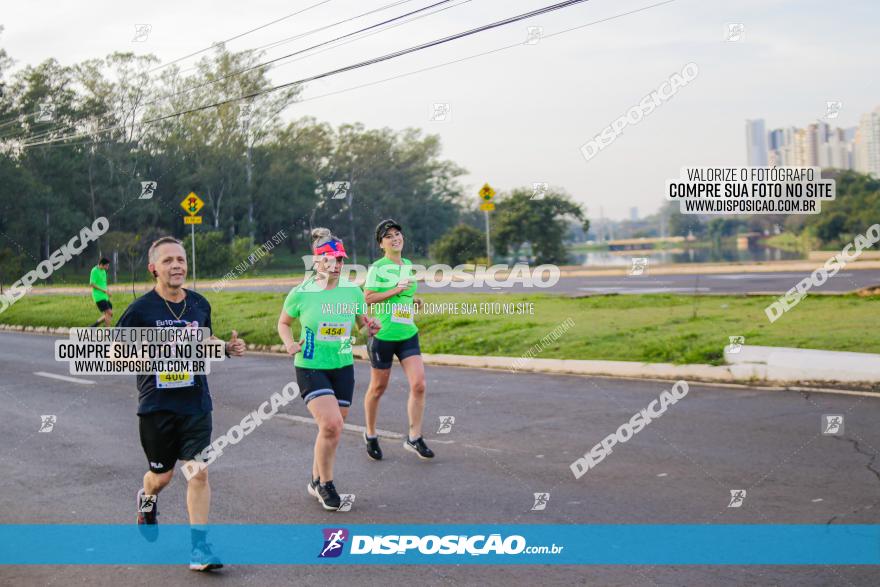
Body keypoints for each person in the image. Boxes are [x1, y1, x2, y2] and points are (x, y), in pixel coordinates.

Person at [116, 236, 246, 572]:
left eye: (181, 259)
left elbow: (206, 339)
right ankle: (147, 498)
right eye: (168, 260)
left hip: (196, 403)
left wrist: (226, 348)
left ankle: (200, 549)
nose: (176, 265)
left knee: (198, 473)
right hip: (156, 406)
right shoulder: (140, 310)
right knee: (161, 477)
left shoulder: (200, 304)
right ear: (153, 269)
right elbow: (115, 351)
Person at [277, 228, 380, 511]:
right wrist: (288, 343)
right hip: (310, 365)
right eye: (329, 260)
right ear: (317, 262)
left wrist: (370, 327)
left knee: (332, 429)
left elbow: (361, 323)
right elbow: (283, 323)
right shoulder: (302, 293)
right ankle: (326, 484)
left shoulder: (352, 291)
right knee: (331, 424)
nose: (335, 266)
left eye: (340, 260)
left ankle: (315, 479)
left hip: (342, 365)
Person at [362, 219, 434, 461]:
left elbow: (404, 294)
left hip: (407, 334)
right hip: (383, 336)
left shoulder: (407, 264)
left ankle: (414, 437)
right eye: (389, 236)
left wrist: (413, 300)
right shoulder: (378, 267)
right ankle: (370, 434)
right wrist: (395, 289)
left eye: (397, 234)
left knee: (419, 384)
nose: (395, 238)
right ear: (381, 244)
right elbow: (369, 298)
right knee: (378, 388)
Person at [89, 258, 112, 327]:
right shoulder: (94, 271)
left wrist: (107, 291)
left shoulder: (104, 271)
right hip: (98, 296)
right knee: (109, 313)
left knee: (109, 314)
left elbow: (104, 283)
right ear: (101, 264)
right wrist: (103, 290)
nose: (108, 267)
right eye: (107, 265)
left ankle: (93, 326)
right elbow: (92, 284)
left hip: (105, 296)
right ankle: (108, 333)